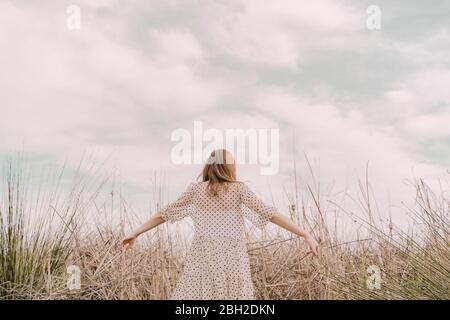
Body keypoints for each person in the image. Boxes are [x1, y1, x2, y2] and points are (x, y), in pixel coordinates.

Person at [121, 149, 319, 299]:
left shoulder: (196, 190)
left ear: (208, 167)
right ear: (230, 168)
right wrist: (304, 234)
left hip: (203, 254)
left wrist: (136, 232)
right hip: (232, 254)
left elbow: (164, 214)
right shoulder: (239, 189)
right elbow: (271, 213)